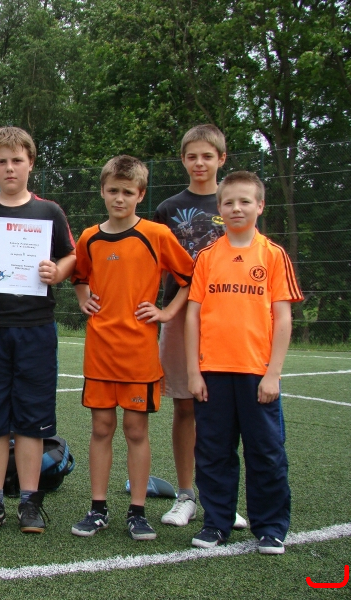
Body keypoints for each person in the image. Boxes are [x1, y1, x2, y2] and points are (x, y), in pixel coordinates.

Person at [69, 155, 193, 541]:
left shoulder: (156, 234)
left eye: (127, 192)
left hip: (139, 354)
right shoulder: (89, 237)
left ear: (140, 194)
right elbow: (79, 275)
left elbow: (190, 277)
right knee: (101, 427)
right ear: (102, 192)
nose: (119, 198)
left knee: (136, 430)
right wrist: (83, 299)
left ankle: (137, 512)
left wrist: (166, 312)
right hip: (100, 352)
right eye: (112, 191)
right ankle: (98, 508)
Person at [0, 126, 76, 534]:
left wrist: (57, 271)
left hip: (35, 327)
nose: (9, 168)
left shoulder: (49, 212)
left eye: (17, 160)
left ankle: (29, 501)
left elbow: (70, 256)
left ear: (30, 163)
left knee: (32, 416)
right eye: (1, 161)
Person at [186, 171, 302, 554]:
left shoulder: (273, 255)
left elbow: (282, 318)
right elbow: (193, 317)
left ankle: (270, 528)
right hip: (212, 374)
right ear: (219, 209)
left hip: (257, 375)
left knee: (266, 452)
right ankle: (216, 523)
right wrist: (193, 371)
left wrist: (273, 373)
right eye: (229, 202)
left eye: (245, 201)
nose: (237, 208)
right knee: (213, 452)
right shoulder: (207, 257)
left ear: (260, 206)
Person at [153, 124, 247, 531]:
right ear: (182, 159)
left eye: (208, 156)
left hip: (228, 316)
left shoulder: (235, 202)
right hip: (179, 315)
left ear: (221, 159)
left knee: (224, 407)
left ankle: (220, 499)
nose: (199, 163)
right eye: (192, 156)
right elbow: (156, 263)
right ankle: (186, 494)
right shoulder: (168, 207)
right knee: (185, 404)